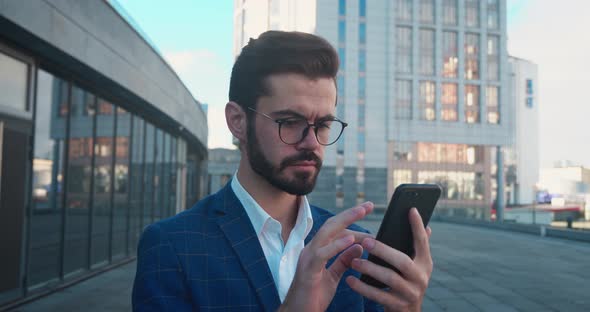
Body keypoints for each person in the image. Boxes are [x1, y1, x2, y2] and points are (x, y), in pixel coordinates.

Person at [132, 30, 433, 312]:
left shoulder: (356, 247)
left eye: (324, 125)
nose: (312, 142)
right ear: (238, 121)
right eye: (289, 122)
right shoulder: (172, 246)